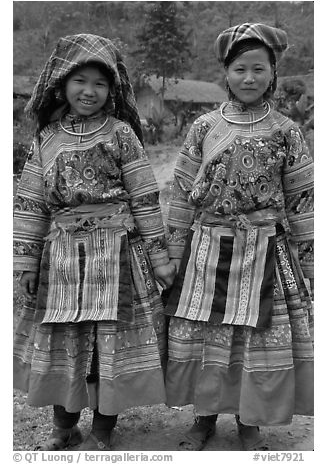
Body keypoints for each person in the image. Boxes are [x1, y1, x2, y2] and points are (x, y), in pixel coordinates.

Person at [13, 33, 175, 451]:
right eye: (80, 81)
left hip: (118, 256)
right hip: (63, 258)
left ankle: (104, 428)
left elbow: (144, 196)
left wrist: (159, 258)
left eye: (100, 84)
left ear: (113, 89)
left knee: (109, 348)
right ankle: (63, 426)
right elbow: (31, 203)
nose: (90, 91)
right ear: (61, 84)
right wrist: (26, 263)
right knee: (64, 342)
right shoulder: (46, 138)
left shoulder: (121, 134)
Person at [163, 23, 314, 451]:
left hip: (266, 249)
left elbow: (303, 201)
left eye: (259, 69)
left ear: (273, 73)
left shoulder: (287, 131)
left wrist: (309, 265)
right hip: (208, 251)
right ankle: (204, 418)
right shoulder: (203, 127)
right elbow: (180, 193)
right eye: (240, 69)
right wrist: (172, 253)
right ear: (225, 73)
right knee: (206, 338)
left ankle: (251, 422)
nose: (249, 79)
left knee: (255, 343)